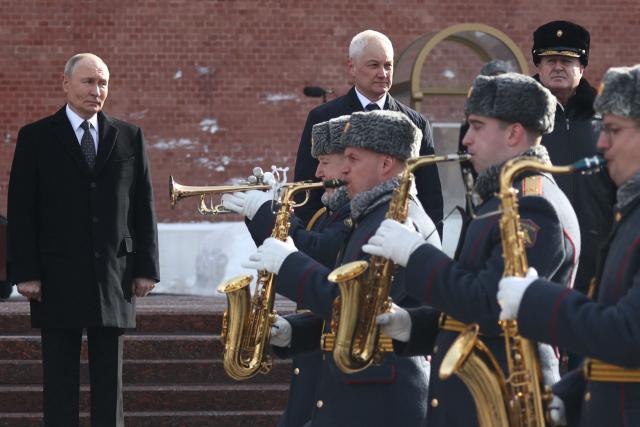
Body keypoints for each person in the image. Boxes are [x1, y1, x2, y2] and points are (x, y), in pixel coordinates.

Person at [363, 73, 580, 426]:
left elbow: (492, 304)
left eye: (477, 127)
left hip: (507, 400)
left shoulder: (532, 204)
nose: (466, 139)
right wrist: (412, 326)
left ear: (513, 133)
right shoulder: (504, 197)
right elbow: (469, 301)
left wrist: (415, 253)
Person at [244, 110, 440, 427]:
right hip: (360, 394)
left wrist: (289, 263)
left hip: (381, 403)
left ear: (386, 164)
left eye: (352, 158)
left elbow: (360, 309)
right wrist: (295, 332)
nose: (343, 168)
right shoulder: (376, 213)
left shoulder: (395, 219)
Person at [7, 53, 159, 427]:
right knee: (60, 381)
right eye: (88, 81)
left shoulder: (129, 136)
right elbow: (22, 208)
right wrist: (25, 272)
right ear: (66, 84)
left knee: (110, 384)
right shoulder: (36, 137)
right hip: (56, 275)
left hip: (114, 275)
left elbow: (143, 206)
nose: (97, 90)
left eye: (103, 82)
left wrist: (146, 269)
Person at [497, 64, 640, 427]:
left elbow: (628, 333)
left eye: (614, 130)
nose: (602, 143)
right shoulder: (630, 211)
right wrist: (571, 393)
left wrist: (534, 298)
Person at [222, 116, 352, 427]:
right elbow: (293, 253)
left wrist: (267, 211)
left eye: (324, 162)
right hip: (315, 361)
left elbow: (314, 254)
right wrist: (294, 329)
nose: (317, 173)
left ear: (350, 163)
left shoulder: (353, 216)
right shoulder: (329, 212)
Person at [294, 29, 443, 236]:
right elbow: (306, 189)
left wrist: (428, 253)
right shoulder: (323, 117)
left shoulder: (415, 123)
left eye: (388, 65)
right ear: (352, 67)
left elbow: (431, 198)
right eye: (373, 65)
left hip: (399, 240)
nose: (383, 74)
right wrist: (317, 243)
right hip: (337, 243)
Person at [532, 20, 617, 298]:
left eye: (567, 60)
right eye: (550, 60)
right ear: (539, 66)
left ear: (582, 67)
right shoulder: (520, 117)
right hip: (536, 244)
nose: (558, 67)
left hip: (596, 248)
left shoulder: (605, 119)